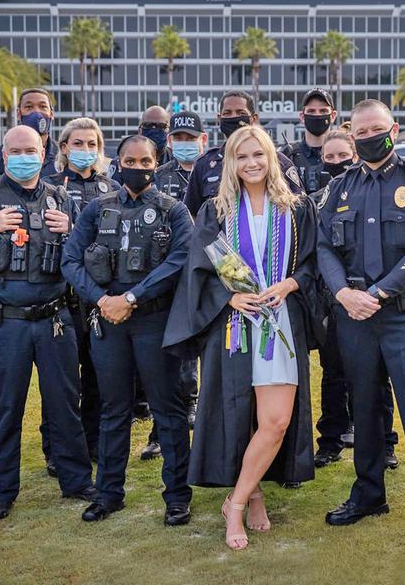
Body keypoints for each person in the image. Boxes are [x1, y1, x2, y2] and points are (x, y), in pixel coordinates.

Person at [317, 99, 405, 556]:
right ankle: (368, 493)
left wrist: (379, 293)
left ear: (394, 130)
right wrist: (343, 293)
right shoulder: (339, 188)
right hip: (354, 317)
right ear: (351, 135)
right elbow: (323, 247)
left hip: (404, 315)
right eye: (360, 132)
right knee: (364, 409)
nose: (368, 138)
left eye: (376, 129)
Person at [164, 124, 317, 550]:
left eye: (259, 154)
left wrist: (290, 284)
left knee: (275, 421)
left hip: (280, 322)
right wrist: (228, 297)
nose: (252, 163)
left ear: (272, 158)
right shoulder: (216, 211)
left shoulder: (296, 208)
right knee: (239, 415)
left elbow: (312, 263)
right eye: (242, 156)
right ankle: (252, 497)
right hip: (233, 323)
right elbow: (199, 269)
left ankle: (234, 501)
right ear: (231, 162)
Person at [0, 125, 96, 519]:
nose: (25, 156)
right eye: (17, 150)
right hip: (5, 322)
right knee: (7, 408)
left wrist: (72, 230)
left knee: (65, 404)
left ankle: (76, 481)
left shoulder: (60, 197)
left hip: (55, 319)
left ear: (44, 153)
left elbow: (88, 256)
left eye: (32, 150)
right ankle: (2, 492)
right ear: (4, 153)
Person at [62, 135, 194, 526]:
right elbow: (71, 261)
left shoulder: (173, 211)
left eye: (145, 161)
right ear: (117, 163)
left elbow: (179, 260)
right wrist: (102, 300)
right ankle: (109, 493)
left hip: (154, 321)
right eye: (130, 161)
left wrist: (132, 297)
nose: (138, 168)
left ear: (157, 162)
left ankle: (177, 496)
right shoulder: (96, 209)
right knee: (113, 410)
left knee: (168, 410)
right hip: (109, 321)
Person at [309, 132, 398, 470]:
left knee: (377, 376)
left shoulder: (374, 193)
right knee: (333, 373)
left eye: (342, 155)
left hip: (370, 298)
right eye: (329, 157)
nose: (337, 162)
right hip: (333, 300)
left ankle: (384, 443)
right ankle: (330, 441)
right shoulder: (318, 200)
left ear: (355, 154)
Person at [40, 117, 115, 474]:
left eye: (92, 144)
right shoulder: (48, 186)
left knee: (98, 375)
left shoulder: (111, 188)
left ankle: (93, 441)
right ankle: (56, 447)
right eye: (78, 143)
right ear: (64, 147)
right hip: (62, 297)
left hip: (99, 297)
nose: (85, 150)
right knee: (61, 381)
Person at [149, 109, 208, 451]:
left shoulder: (217, 171)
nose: (185, 143)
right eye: (179, 138)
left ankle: (201, 415)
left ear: (203, 140)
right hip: (171, 271)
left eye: (191, 138)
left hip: (211, 271)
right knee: (172, 352)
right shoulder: (158, 176)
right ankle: (161, 430)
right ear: (170, 142)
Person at [183, 90, 302, 216]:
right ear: (219, 119)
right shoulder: (205, 164)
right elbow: (192, 214)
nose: (234, 117)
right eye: (227, 113)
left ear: (254, 119)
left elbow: (299, 208)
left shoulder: (279, 161)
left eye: (241, 113)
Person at [0, 88, 60, 179]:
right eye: (29, 107)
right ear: (19, 114)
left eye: (42, 107)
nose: (36, 112)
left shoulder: (62, 155)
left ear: (51, 113)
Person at [281, 87, 338, 194]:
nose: (317, 115)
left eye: (323, 111)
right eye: (311, 111)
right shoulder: (287, 156)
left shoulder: (343, 155)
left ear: (333, 116)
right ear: (302, 117)